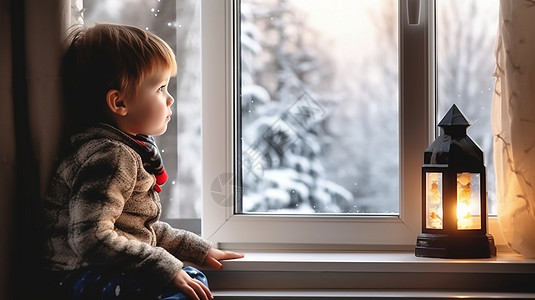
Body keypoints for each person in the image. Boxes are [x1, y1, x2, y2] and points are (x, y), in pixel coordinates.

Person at [41, 23, 243, 300]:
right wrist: (163, 266)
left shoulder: (122, 150)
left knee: (192, 277)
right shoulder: (111, 157)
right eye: (160, 88)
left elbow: (135, 229)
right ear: (119, 103)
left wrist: (196, 249)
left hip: (88, 274)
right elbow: (91, 238)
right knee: (185, 282)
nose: (170, 99)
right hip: (81, 277)